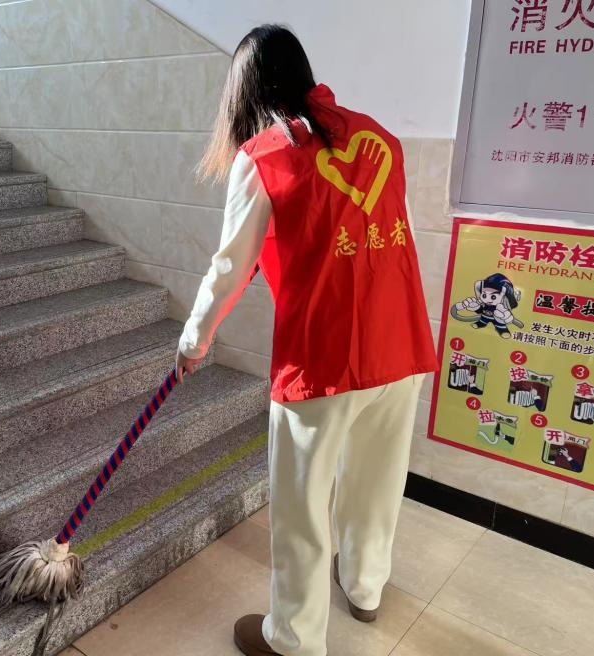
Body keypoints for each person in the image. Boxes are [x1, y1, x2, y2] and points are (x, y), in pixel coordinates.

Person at [175, 25, 438, 656]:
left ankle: (293, 640)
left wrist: (193, 342)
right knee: (377, 482)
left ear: (245, 91)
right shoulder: (378, 138)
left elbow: (229, 267)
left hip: (322, 360)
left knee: (301, 506)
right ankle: (366, 589)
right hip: (402, 341)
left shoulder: (264, 156)